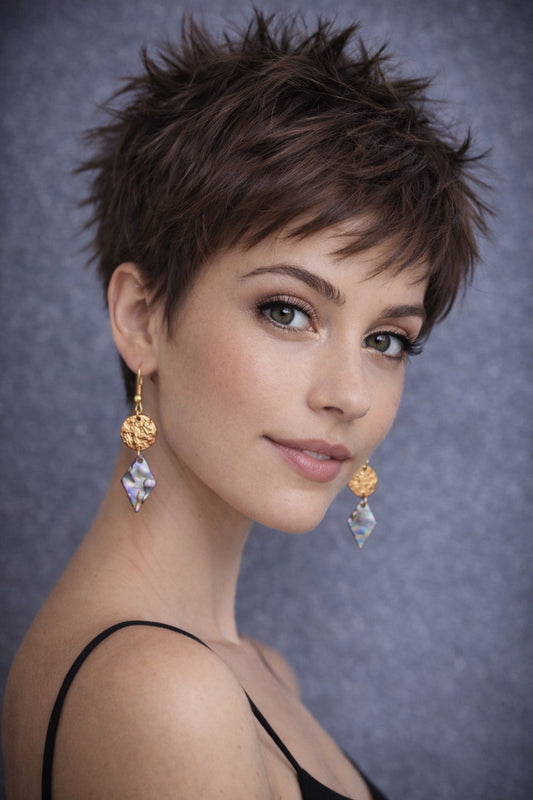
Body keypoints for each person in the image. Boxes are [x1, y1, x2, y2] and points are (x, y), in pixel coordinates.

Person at [2, 10, 488, 800]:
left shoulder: (256, 671)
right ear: (141, 319)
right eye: (287, 311)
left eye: (387, 340)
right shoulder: (163, 692)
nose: (349, 394)